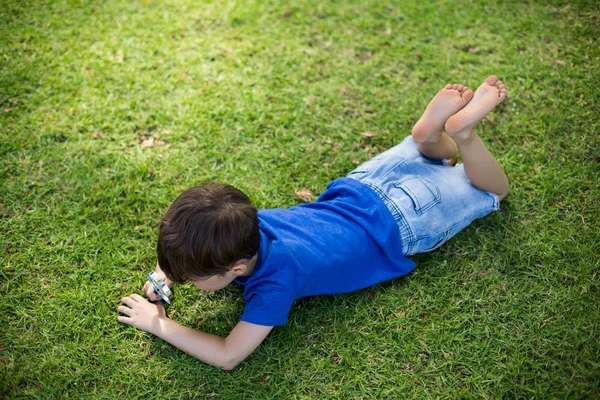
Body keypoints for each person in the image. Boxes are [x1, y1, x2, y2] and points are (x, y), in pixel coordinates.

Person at [117, 76, 509, 370]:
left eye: (192, 277)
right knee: (431, 154)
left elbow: (228, 354)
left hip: (405, 220)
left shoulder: (274, 283)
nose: (185, 282)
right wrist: (163, 275)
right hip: (363, 186)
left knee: (491, 189)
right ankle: (429, 137)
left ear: (236, 269)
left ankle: (465, 135)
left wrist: (158, 324)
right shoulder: (246, 224)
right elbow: (190, 240)